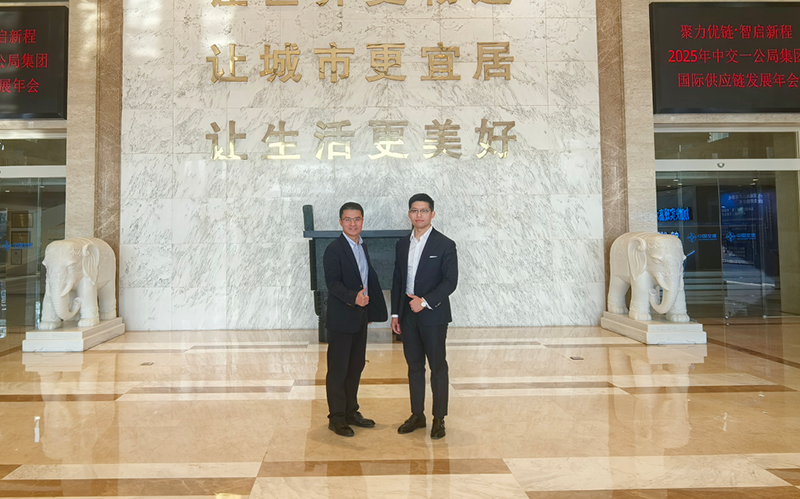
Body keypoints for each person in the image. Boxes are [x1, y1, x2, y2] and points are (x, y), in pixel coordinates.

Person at [391, 193, 458, 440]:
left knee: (438, 367)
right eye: (414, 210)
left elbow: (450, 282)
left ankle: (439, 418)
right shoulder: (402, 244)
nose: (419, 215)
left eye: (424, 210)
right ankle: (417, 415)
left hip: (434, 316)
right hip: (408, 316)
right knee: (414, 367)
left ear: (432, 214)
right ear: (409, 214)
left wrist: (425, 301)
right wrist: (396, 313)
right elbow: (398, 280)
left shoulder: (445, 244)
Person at [324, 202, 387, 437]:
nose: (353, 223)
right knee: (339, 369)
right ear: (341, 222)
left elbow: (367, 279)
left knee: (355, 367)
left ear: (362, 221)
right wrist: (354, 298)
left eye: (357, 219)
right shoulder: (334, 249)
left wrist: (369, 310)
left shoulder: (362, 246)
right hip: (342, 318)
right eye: (348, 219)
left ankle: (351, 412)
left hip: (360, 317)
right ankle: (337, 418)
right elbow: (333, 284)